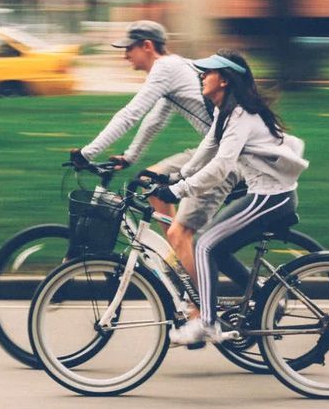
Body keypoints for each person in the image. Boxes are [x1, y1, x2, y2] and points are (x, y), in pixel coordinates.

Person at [70, 20, 245, 289]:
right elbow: (155, 120)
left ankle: (201, 306)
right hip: (214, 150)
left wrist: (87, 152)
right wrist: (130, 156)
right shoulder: (174, 68)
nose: (125, 55)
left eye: (129, 48)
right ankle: (179, 260)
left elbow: (131, 114)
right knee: (151, 180)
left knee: (181, 233)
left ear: (147, 46)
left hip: (226, 157)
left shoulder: (165, 68)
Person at [158, 50, 309, 344]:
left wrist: (179, 190)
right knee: (216, 246)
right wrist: (177, 175)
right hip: (263, 195)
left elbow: (221, 166)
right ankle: (265, 295)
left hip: (271, 198)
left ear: (224, 80)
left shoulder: (241, 114)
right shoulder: (224, 111)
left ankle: (208, 323)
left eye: (208, 73)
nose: (202, 76)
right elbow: (208, 146)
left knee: (204, 245)